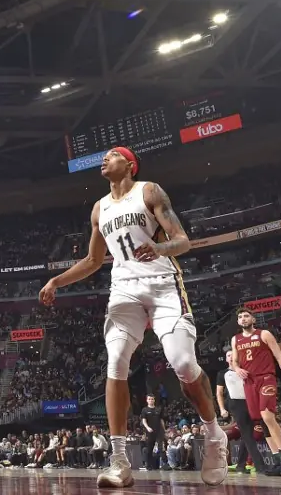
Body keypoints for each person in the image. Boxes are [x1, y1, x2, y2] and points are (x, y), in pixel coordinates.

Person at [39, 147, 228, 487]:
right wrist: (57, 281)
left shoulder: (149, 191)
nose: (104, 159)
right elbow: (93, 260)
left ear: (130, 165)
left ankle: (215, 435)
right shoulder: (99, 208)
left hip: (163, 284)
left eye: (112, 155)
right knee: (115, 361)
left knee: (183, 364)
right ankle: (119, 460)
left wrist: (160, 248)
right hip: (124, 288)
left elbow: (183, 241)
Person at [231, 307, 281, 476]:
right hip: (249, 382)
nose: (243, 318)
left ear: (253, 319)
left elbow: (279, 357)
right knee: (260, 421)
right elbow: (235, 361)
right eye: (240, 317)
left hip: (266, 378)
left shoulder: (264, 334)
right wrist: (237, 369)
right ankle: (277, 461)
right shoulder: (235, 339)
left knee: (267, 416)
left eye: (246, 316)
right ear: (238, 321)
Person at [140, 394, 165, 471]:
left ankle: (165, 464)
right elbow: (144, 420)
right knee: (149, 449)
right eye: (149, 399)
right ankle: (148, 465)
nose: (151, 400)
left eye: (152, 399)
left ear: (154, 400)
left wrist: (164, 429)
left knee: (161, 447)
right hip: (150, 432)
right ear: (147, 400)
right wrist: (147, 427)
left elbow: (161, 420)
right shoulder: (144, 410)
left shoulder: (158, 409)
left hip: (159, 431)